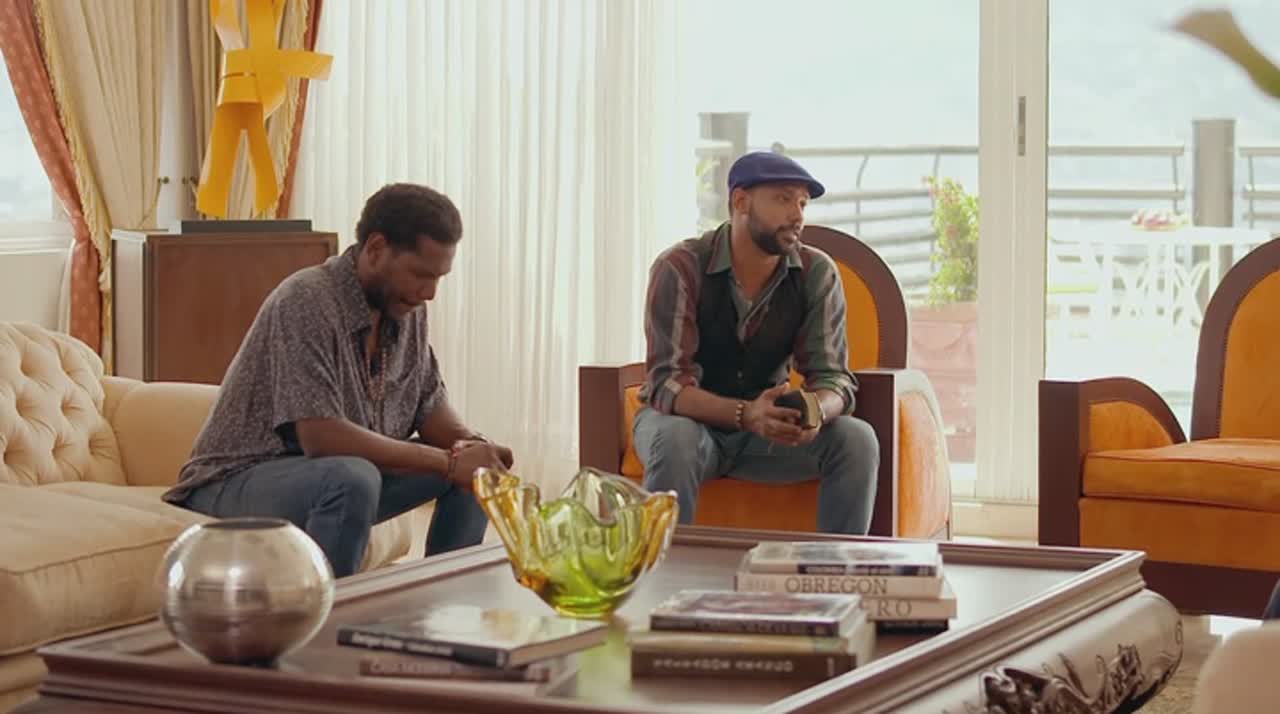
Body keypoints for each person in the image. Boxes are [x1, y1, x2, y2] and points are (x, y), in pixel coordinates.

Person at [163, 183, 512, 578]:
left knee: (476, 475)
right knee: (353, 478)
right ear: (376, 248)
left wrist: (473, 448)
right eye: (420, 274)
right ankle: (334, 612)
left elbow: (430, 408)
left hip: (331, 476)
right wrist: (448, 464)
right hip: (235, 479)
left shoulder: (406, 309)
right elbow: (322, 437)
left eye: (438, 278)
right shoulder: (306, 300)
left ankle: (445, 602)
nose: (429, 292)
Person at [634, 151, 879, 534]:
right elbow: (668, 385)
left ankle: (835, 568)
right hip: (686, 425)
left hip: (765, 436)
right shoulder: (680, 267)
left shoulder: (816, 273)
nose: (797, 215)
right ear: (740, 201)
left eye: (802, 203)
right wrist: (744, 413)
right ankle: (663, 567)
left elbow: (834, 379)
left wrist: (815, 411)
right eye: (783, 199)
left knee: (856, 439)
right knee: (676, 437)